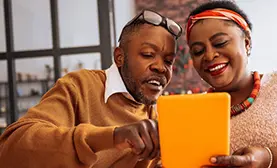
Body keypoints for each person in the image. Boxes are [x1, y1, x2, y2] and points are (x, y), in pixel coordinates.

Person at [0, 9, 182, 168]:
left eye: (168, 61)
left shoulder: (155, 114)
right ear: (119, 57)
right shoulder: (80, 86)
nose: (161, 67)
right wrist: (114, 136)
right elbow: (11, 149)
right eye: (148, 54)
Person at [186, 1, 277, 168]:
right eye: (198, 51)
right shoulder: (191, 116)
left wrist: (269, 158)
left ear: (247, 42)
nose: (209, 55)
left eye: (220, 43)